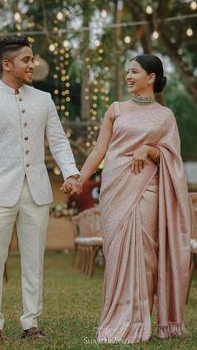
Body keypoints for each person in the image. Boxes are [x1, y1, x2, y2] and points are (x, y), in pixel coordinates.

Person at [62, 54, 191, 344]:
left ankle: (138, 321)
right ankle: (116, 319)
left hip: (147, 190)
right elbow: (99, 151)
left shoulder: (165, 116)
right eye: (128, 72)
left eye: (134, 72)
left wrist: (149, 149)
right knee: (118, 253)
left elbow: (172, 157)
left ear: (151, 77)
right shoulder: (116, 109)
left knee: (145, 257)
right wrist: (78, 178)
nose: (129, 77)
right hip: (115, 189)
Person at [0, 36, 82, 340]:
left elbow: (57, 139)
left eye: (33, 59)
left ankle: (30, 323)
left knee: (34, 260)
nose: (32, 64)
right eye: (26, 60)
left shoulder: (43, 99)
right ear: (8, 64)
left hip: (37, 192)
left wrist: (71, 172)